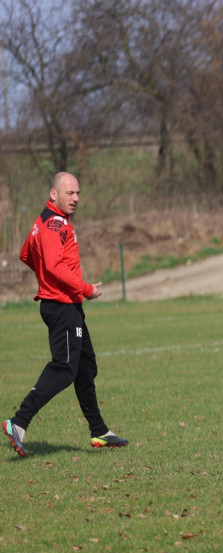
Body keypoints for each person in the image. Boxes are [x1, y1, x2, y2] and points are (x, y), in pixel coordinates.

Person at [3, 172, 129, 457]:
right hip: (62, 306)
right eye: (70, 193)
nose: (76, 198)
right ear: (53, 194)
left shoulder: (41, 222)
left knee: (85, 368)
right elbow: (55, 266)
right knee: (64, 368)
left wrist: (48, 279)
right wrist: (85, 288)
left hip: (67, 305)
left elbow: (26, 254)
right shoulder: (54, 224)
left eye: (78, 193)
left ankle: (99, 430)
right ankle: (18, 422)